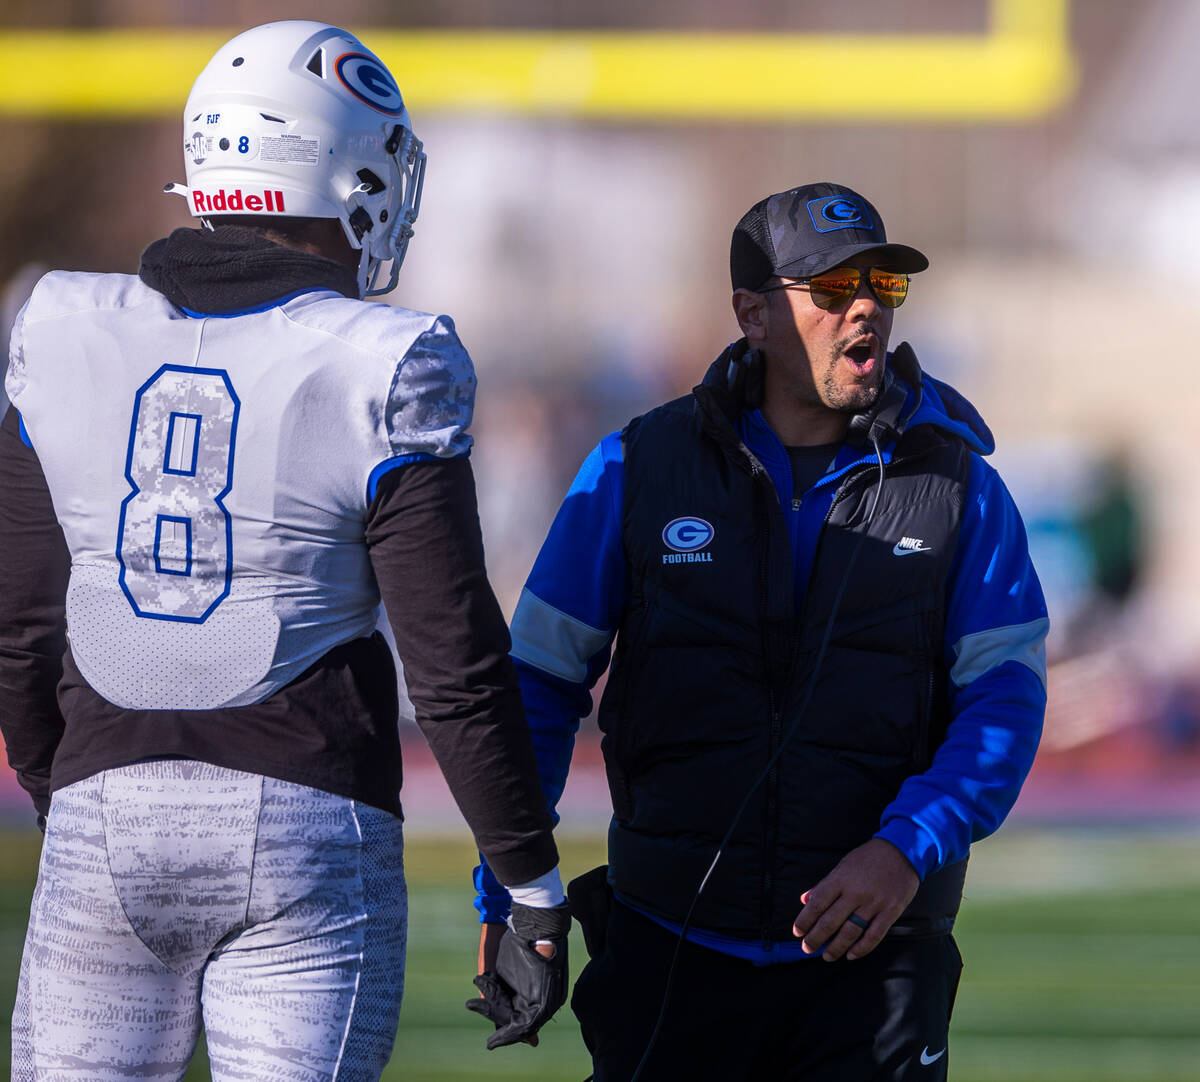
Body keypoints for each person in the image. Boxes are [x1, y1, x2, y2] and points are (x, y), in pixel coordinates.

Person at [0, 20, 568, 1082]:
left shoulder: (62, 323)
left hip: (100, 804)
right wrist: (529, 879)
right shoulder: (387, 360)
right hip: (305, 811)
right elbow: (451, 662)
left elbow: (24, 617)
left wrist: (67, 790)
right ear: (348, 168)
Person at [472, 182, 1049, 1081]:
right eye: (831, 289)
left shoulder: (961, 485)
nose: (865, 308)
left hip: (878, 956)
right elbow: (539, 686)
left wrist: (907, 847)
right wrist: (512, 892)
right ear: (753, 315)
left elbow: (1005, 700)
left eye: (882, 287)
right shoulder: (637, 465)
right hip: (671, 943)